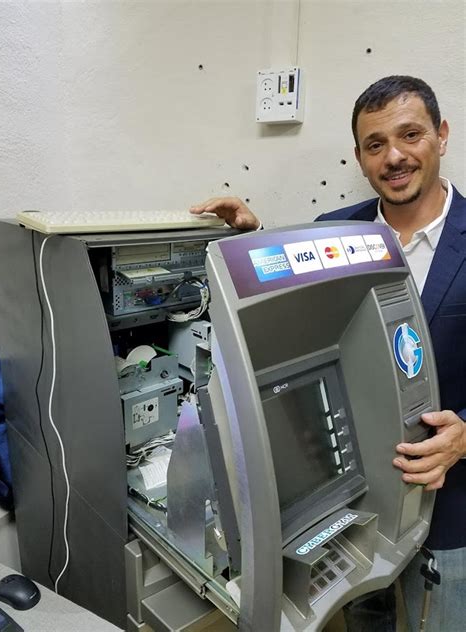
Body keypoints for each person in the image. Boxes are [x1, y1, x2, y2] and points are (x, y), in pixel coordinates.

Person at [190, 75, 466, 631]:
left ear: (441, 135)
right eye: (374, 144)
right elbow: (303, 317)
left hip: (452, 518)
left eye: (410, 135)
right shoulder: (333, 233)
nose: (393, 157)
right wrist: (251, 240)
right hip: (353, 513)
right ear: (359, 158)